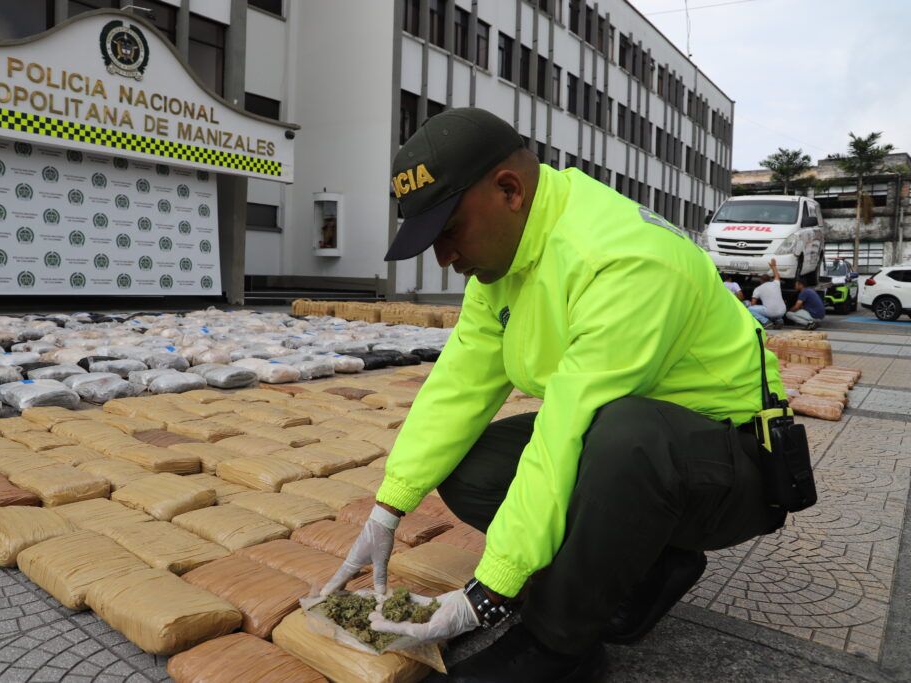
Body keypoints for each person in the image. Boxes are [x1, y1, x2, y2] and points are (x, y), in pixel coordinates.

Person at [322, 108, 786, 682]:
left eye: (447, 232)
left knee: (621, 438)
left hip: (731, 462)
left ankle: (559, 646)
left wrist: (486, 595)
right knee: (473, 465)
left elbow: (569, 424)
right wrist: (388, 510)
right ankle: (642, 567)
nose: (444, 258)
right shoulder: (503, 265)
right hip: (637, 450)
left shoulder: (622, 259)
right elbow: (457, 388)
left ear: (510, 190)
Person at [748, 258, 786, 328]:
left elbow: (753, 304)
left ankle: (766, 322)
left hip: (771, 312)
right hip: (782, 311)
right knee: (771, 309)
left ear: (760, 280)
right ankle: (779, 321)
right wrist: (773, 266)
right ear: (769, 280)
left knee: (750, 309)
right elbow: (777, 276)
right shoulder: (775, 284)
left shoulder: (758, 289)